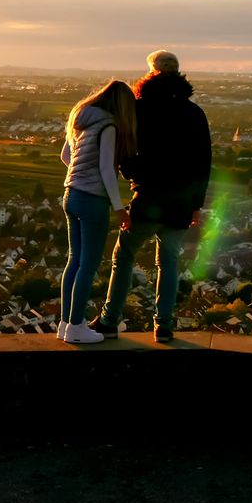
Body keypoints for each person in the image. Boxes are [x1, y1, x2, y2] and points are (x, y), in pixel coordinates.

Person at [91, 50, 211, 343]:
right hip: (181, 204)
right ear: (178, 72)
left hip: (148, 198)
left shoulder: (140, 109)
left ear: (151, 71)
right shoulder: (194, 113)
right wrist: (196, 205)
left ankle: (109, 319)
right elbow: (203, 163)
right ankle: (164, 325)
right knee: (169, 261)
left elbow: (126, 150)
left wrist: (133, 177)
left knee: (125, 256)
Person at [58, 79, 137, 344]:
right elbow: (106, 169)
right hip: (93, 201)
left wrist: (79, 175)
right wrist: (119, 208)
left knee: (74, 261)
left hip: (71, 195)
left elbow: (65, 156)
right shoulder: (109, 126)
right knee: (88, 266)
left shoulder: (80, 118)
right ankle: (77, 326)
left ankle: (64, 324)